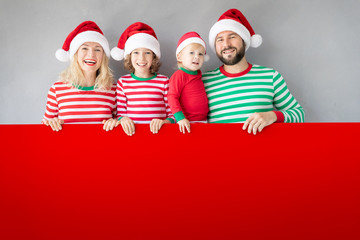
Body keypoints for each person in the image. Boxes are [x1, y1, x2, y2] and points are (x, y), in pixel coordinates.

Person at [203, 9, 305, 135]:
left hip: (261, 154)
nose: (226, 44)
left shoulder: (270, 77)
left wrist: (272, 116)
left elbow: (299, 115)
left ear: (244, 41)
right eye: (220, 39)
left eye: (232, 37)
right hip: (219, 153)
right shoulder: (203, 82)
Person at [42, 21, 117, 131]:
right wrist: (50, 123)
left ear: (103, 57)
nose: (91, 54)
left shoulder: (113, 90)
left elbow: (122, 123)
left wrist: (116, 123)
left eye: (97, 49)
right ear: (75, 54)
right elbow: (43, 131)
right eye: (84, 48)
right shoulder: (57, 90)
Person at [111, 22, 175, 136]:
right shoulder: (123, 83)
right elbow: (120, 114)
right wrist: (123, 119)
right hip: (133, 137)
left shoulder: (164, 81)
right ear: (129, 56)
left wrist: (164, 122)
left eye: (147, 53)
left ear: (154, 56)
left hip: (159, 136)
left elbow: (172, 114)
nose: (142, 58)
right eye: (136, 52)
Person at [167, 32, 209, 134]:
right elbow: (172, 97)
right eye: (191, 53)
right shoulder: (179, 75)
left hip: (203, 122)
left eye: (200, 54)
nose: (197, 57)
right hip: (186, 123)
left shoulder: (198, 76)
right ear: (179, 57)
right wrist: (180, 118)